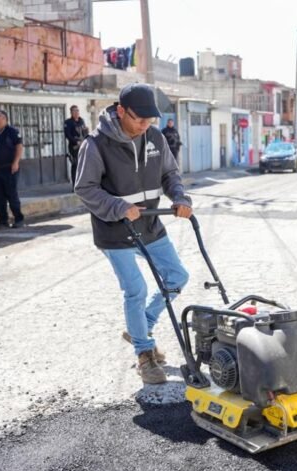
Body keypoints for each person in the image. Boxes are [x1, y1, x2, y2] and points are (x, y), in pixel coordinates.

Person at [75, 83, 192, 385]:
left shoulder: (154, 137)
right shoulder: (96, 144)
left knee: (177, 277)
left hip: (150, 224)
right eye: (139, 119)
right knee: (136, 290)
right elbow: (84, 188)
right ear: (121, 110)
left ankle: (142, 326)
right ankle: (144, 354)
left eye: (149, 120)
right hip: (114, 230)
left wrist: (179, 198)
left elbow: (170, 174)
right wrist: (118, 206)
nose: (144, 126)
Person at [0, 110, 25, 228]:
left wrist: (16, 162)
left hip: (9, 168)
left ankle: (18, 218)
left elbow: (19, 146)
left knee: (11, 193)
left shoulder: (12, 131)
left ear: (4, 118)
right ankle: (3, 219)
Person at [64, 105, 89, 189]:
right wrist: (76, 142)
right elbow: (68, 135)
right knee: (75, 165)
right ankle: (75, 185)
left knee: (84, 165)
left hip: (83, 146)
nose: (76, 112)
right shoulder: (68, 122)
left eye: (77, 110)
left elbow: (85, 133)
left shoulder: (81, 121)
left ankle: (84, 184)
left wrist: (86, 140)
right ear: (71, 112)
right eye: (74, 111)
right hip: (74, 147)